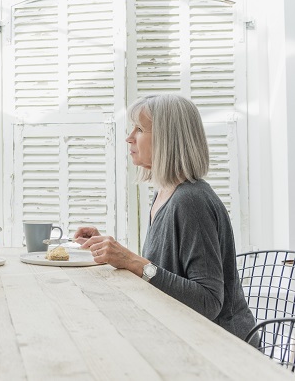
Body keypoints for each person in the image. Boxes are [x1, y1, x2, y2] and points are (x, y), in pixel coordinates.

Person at [75, 94, 255, 342]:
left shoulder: (191, 201)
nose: (129, 137)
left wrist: (133, 261)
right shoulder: (164, 193)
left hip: (222, 346)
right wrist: (109, 249)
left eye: (139, 129)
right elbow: (166, 269)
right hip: (184, 333)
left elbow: (209, 301)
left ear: (167, 139)